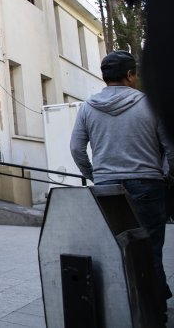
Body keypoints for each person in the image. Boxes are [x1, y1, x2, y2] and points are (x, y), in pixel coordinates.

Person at [70, 50, 174, 318]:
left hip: (106, 188)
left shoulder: (88, 107)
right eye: (135, 74)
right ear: (129, 75)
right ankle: (155, 314)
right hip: (148, 186)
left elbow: (77, 149)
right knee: (151, 250)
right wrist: (167, 174)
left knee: (113, 249)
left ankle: (121, 312)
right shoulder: (151, 104)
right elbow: (170, 149)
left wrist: (95, 175)